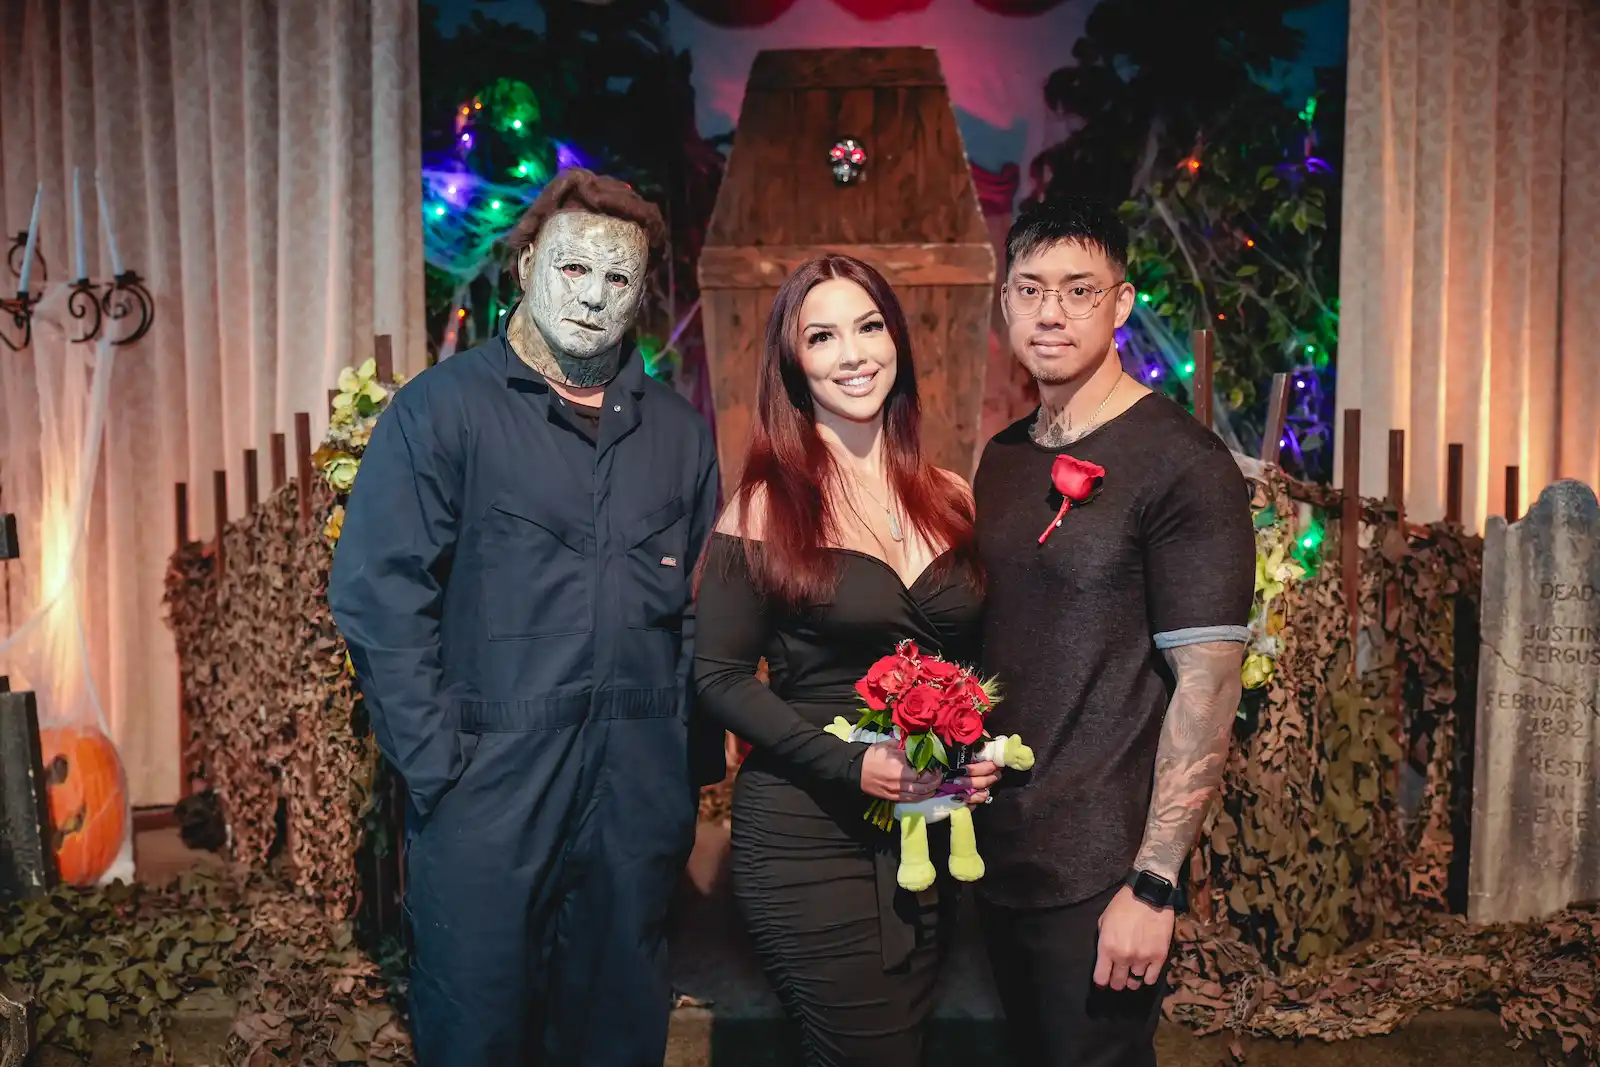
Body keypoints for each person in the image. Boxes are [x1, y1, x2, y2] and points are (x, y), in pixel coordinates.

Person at [327, 168, 721, 1067]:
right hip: (489, 794)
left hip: (632, 802)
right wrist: (440, 769)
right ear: (528, 259)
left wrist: (678, 777)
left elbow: (698, 607)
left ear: (643, 293)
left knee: (618, 1037)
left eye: (618, 280)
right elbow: (378, 592)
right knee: (479, 1033)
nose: (593, 298)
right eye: (575, 269)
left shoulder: (678, 434)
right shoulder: (443, 410)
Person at [692, 254, 1003, 1066]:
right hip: (808, 837)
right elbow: (716, 676)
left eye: (868, 326)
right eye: (822, 336)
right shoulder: (763, 505)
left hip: (928, 834)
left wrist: (980, 754)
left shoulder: (953, 494)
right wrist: (850, 765)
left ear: (896, 338)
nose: (853, 353)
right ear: (794, 366)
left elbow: (976, 660)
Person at [972, 197, 1255, 1065]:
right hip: (997, 853)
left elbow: (1209, 685)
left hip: (1100, 874)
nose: (1051, 312)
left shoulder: (1184, 465)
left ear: (1123, 304)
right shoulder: (1006, 456)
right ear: (1007, 300)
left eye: (1079, 290)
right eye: (1031, 289)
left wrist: (1154, 883)